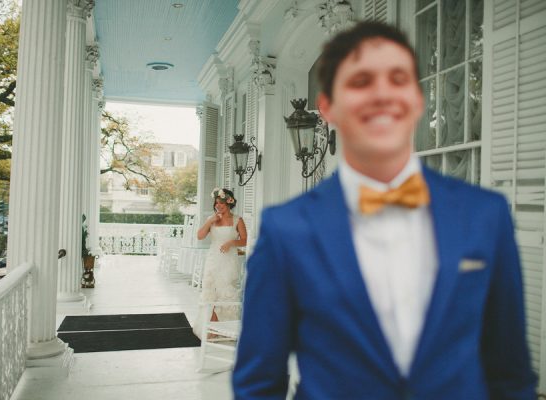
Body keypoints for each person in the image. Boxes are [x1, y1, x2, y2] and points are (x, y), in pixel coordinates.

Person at [233, 21, 536, 399]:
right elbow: (258, 383)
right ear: (327, 106)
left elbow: (511, 375)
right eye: (360, 82)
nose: (382, 95)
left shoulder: (486, 216)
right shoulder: (285, 230)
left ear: (417, 100)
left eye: (398, 79)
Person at [192, 187, 247, 339]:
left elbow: (244, 240)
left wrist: (231, 243)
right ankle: (210, 329)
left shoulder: (237, 220)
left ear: (229, 202)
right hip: (213, 258)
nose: (218, 206)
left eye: (221, 203)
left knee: (226, 290)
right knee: (210, 290)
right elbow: (200, 236)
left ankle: (226, 329)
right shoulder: (212, 219)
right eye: (216, 203)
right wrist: (210, 221)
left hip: (229, 260)